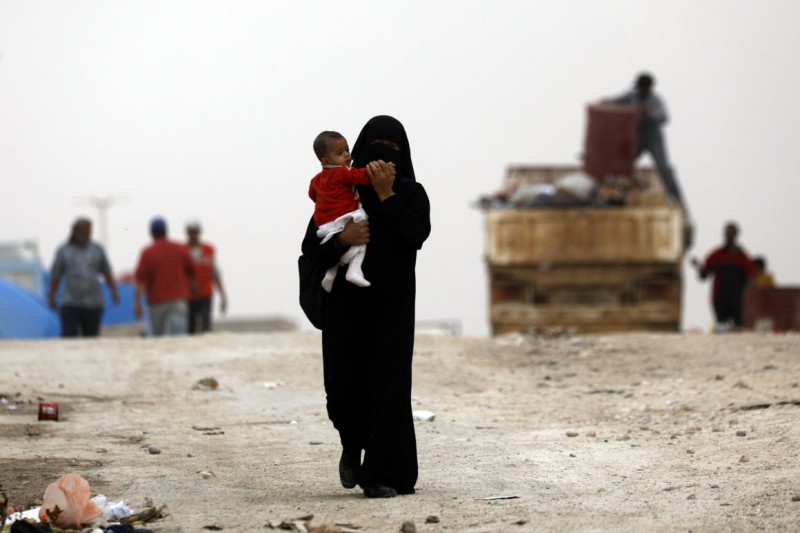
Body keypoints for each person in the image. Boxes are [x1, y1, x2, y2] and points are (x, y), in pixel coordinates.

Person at [301, 116, 431, 498]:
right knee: (342, 391)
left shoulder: (411, 192)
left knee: (387, 390)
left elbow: (415, 234)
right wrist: (344, 239)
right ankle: (350, 444)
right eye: (375, 148)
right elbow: (312, 250)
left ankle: (379, 473)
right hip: (345, 311)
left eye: (391, 150)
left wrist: (387, 196)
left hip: (391, 312)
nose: (382, 157)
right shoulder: (342, 194)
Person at [309, 131, 374, 291]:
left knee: (331, 252)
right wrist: (377, 170)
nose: (347, 155)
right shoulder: (341, 172)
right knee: (361, 229)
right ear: (325, 160)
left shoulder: (316, 179)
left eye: (347, 149)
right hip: (342, 219)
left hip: (323, 225)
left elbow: (312, 194)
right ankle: (354, 270)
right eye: (340, 153)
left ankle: (329, 276)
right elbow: (361, 176)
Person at [606, 72, 684, 205]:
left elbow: (664, 118)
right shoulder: (631, 96)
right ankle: (614, 194)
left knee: (663, 167)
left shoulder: (656, 100)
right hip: (637, 137)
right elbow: (614, 101)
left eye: (644, 88)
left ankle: (675, 197)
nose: (642, 90)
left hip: (653, 137)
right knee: (623, 163)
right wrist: (604, 102)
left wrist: (648, 112)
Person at [47, 217, 119, 337]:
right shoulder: (64, 250)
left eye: (88, 231)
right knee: (69, 336)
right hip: (70, 302)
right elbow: (56, 275)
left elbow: (106, 271)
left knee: (91, 339)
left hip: (93, 303)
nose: (85, 234)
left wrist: (113, 290)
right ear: (75, 231)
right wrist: (51, 295)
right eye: (83, 231)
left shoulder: (97, 249)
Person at [134, 217, 196, 336]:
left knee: (157, 339)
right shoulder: (180, 249)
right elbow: (192, 272)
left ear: (151, 232)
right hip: (178, 299)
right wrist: (191, 289)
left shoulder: (148, 252)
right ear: (166, 231)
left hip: (156, 301)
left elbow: (141, 280)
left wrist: (137, 302)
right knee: (179, 337)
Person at [691, 222, 756, 328]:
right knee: (722, 328)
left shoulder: (742, 257)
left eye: (731, 233)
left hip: (738, 299)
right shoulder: (717, 254)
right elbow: (704, 274)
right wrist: (698, 266)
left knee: (739, 327)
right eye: (726, 233)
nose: (728, 236)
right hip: (720, 299)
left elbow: (751, 276)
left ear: (736, 235)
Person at [184, 219, 228, 333]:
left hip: (205, 295)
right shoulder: (182, 251)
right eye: (191, 231)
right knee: (189, 329)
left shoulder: (209, 250)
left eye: (195, 231)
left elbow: (215, 273)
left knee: (206, 328)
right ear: (187, 232)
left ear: (200, 231)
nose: (193, 234)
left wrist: (223, 295)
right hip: (187, 297)